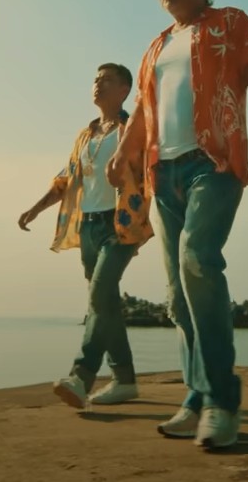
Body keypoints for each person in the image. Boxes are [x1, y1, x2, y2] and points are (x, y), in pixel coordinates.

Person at [106, 0, 248, 451]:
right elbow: (143, 110)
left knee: (197, 261)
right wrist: (122, 153)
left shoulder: (231, 23)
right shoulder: (156, 46)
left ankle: (223, 401)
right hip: (164, 174)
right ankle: (197, 398)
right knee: (178, 296)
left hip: (215, 161)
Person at [18, 63, 156, 409]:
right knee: (105, 303)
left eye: (107, 79)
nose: (98, 84)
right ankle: (125, 381)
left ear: (124, 90)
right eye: (96, 79)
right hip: (88, 227)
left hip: (120, 225)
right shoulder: (86, 135)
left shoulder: (133, 130)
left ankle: (81, 377)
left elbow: (153, 169)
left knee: (99, 295)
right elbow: (66, 179)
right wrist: (35, 208)